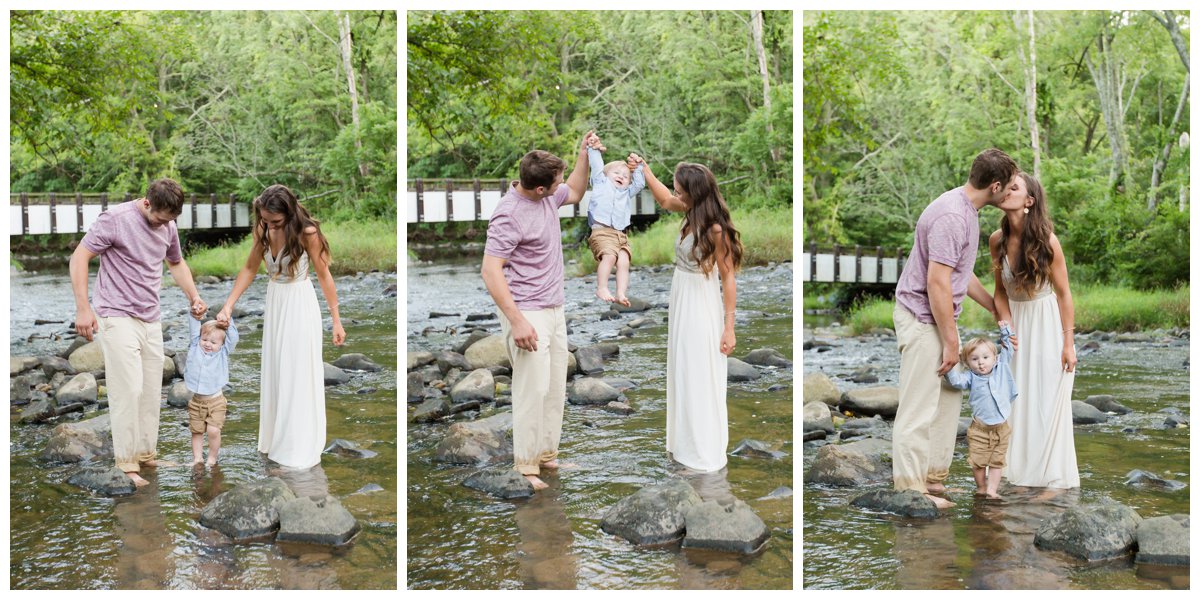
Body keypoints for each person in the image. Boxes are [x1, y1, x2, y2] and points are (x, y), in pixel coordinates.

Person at [891, 148, 1019, 509]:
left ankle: (932, 480)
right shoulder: (952, 217)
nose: (1010, 193)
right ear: (994, 186)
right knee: (918, 408)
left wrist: (993, 306)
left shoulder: (966, 211)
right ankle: (909, 490)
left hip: (939, 317)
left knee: (947, 398)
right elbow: (937, 283)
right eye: (1008, 188)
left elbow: (960, 275)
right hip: (922, 317)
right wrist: (951, 343)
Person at [69, 178, 206, 487]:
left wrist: (194, 297)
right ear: (147, 203)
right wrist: (83, 308)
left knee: (149, 390)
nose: (163, 225)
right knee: (128, 389)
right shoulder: (115, 219)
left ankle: (146, 455)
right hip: (116, 314)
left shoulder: (168, 226)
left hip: (150, 316)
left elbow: (176, 262)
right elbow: (79, 257)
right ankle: (127, 463)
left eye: (170, 220)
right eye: (159, 218)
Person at [481, 132, 591, 490]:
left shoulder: (546, 196)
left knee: (555, 386)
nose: (561, 187)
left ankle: (547, 455)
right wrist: (517, 321)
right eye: (555, 181)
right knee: (532, 389)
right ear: (539, 188)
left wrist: (583, 153)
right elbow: (490, 269)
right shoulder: (509, 214)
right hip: (527, 311)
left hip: (554, 307)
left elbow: (574, 190)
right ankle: (526, 466)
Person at [217, 184, 345, 469]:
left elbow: (324, 275)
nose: (270, 225)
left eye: (275, 221)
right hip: (276, 302)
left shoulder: (307, 233)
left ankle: (298, 445)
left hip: (299, 303)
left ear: (289, 213)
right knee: (277, 370)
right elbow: (250, 268)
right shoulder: (263, 230)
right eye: (265, 220)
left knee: (295, 371)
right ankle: (276, 439)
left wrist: (336, 320)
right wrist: (229, 305)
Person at [641, 157, 743, 472]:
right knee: (682, 371)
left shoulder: (715, 228)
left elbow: (728, 278)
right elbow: (662, 198)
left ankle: (703, 454)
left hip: (700, 304)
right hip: (681, 299)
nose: (676, 194)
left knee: (699, 374)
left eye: (681, 191)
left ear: (694, 194)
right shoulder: (687, 212)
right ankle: (684, 446)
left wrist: (729, 328)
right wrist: (644, 170)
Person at [989, 172, 1080, 489]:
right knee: (1014, 401)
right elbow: (1000, 292)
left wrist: (1068, 343)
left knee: (1043, 401)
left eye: (1014, 188)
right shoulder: (996, 240)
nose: (1005, 191)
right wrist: (1004, 322)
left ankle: (1050, 479)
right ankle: (1014, 473)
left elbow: (1064, 294)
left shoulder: (1048, 241)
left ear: (1028, 201)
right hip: (1014, 329)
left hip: (1044, 325)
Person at [944, 322, 1017, 499]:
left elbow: (1008, 349)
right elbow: (956, 382)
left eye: (985, 357)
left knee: (997, 462)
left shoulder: (1001, 368)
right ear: (967, 363)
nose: (981, 363)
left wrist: (1005, 331)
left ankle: (992, 490)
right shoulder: (971, 377)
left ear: (995, 357)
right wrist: (949, 366)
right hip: (979, 429)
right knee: (978, 462)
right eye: (974, 359)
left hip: (1001, 428)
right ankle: (982, 487)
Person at [584, 136, 645, 306]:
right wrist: (593, 149)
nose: (621, 176)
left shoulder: (626, 192)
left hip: (621, 235)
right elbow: (596, 166)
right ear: (605, 175)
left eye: (625, 176)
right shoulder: (600, 183)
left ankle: (620, 293)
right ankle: (601, 287)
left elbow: (639, 184)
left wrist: (638, 166)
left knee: (624, 262)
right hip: (602, 232)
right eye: (616, 173)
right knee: (609, 257)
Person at [185, 313, 239, 467]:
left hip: (216, 401)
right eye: (205, 340)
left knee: (213, 431)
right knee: (196, 431)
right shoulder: (195, 346)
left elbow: (233, 337)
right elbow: (194, 328)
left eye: (213, 342)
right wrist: (194, 311)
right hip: (196, 401)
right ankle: (197, 459)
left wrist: (229, 319)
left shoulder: (223, 352)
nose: (208, 344)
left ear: (222, 344)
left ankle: (212, 458)